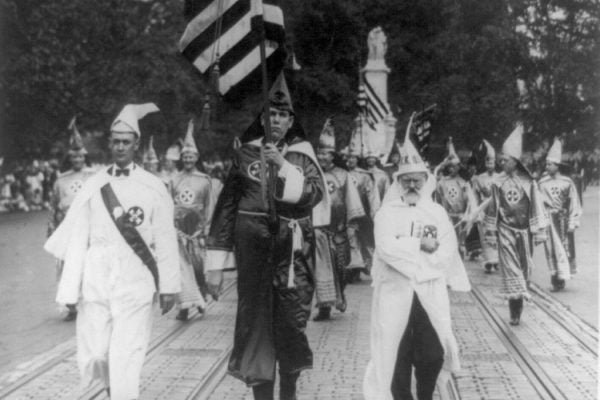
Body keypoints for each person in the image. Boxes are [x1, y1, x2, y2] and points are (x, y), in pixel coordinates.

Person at [44, 103, 180, 399]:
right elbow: (79, 239)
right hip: (97, 280)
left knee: (125, 355)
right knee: (98, 354)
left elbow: (166, 239)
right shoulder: (94, 185)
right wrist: (68, 292)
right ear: (109, 143)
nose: (120, 147)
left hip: (135, 280)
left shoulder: (153, 186)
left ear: (136, 145)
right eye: (115, 141)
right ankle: (112, 391)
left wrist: (169, 286)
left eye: (126, 142)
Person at [205, 73, 326, 400]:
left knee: (290, 326)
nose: (275, 120)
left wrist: (283, 165)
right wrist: (215, 264)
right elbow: (227, 206)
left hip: (292, 259)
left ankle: (289, 392)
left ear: (290, 121)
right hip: (254, 256)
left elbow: (312, 195)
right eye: (270, 114)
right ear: (262, 118)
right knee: (256, 328)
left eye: (282, 115)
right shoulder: (245, 155)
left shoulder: (302, 155)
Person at [363, 135, 470, 400]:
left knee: (433, 353)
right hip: (395, 292)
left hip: (428, 292)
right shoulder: (386, 214)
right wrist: (418, 244)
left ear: (425, 181)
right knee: (396, 352)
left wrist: (421, 265)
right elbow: (386, 248)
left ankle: (425, 394)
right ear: (398, 182)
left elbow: (447, 251)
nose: (412, 185)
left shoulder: (436, 212)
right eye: (406, 180)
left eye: (417, 180)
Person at [483, 124, 549, 325]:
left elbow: (536, 206)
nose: (502, 163)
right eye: (501, 160)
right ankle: (513, 310)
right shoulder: (497, 182)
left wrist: (539, 232)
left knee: (524, 269)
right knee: (511, 270)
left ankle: (518, 304)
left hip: (525, 231)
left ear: (516, 161)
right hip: (506, 230)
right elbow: (493, 207)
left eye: (506, 160)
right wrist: (492, 233)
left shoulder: (529, 182)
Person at [313, 120, 366, 321]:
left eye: (326, 154)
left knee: (341, 271)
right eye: (319, 153)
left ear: (333, 155)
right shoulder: (312, 174)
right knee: (320, 271)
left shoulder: (343, 175)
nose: (322, 157)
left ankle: (339, 295)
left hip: (339, 232)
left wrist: (352, 226)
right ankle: (324, 306)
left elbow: (352, 203)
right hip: (317, 231)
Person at [47, 118, 95, 321]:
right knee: (68, 266)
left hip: (88, 228)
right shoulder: (61, 180)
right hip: (67, 228)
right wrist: (52, 229)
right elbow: (53, 206)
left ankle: (88, 300)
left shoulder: (94, 177)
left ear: (85, 157)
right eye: (74, 157)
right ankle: (71, 303)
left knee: (88, 265)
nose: (77, 160)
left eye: (80, 157)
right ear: (70, 158)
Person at [170, 120, 212, 321]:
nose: (188, 159)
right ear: (181, 158)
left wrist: (205, 230)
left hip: (197, 231)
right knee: (181, 270)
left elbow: (209, 206)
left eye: (191, 156)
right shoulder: (174, 179)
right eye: (185, 156)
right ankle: (184, 306)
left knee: (197, 269)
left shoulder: (204, 180)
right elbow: (170, 204)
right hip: (178, 231)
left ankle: (201, 298)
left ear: (197, 157)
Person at [539, 138, 581, 291]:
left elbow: (574, 203)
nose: (547, 166)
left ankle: (561, 278)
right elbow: (538, 203)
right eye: (546, 164)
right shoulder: (542, 183)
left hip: (561, 220)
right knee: (550, 249)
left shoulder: (567, 182)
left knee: (563, 248)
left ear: (557, 166)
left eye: (550, 164)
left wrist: (572, 222)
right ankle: (554, 276)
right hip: (548, 219)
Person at [344, 138, 380, 282]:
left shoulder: (365, 176)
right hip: (345, 213)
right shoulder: (341, 173)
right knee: (349, 240)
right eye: (347, 157)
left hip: (362, 212)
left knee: (364, 242)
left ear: (358, 159)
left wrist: (374, 212)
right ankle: (351, 270)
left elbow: (372, 195)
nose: (350, 160)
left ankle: (369, 269)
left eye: (353, 157)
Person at [435, 137, 474, 257]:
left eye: (454, 167)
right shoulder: (442, 183)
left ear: (458, 168)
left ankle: (460, 253)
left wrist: (468, 212)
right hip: (447, 216)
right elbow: (438, 199)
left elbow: (469, 199)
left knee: (460, 240)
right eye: (450, 167)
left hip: (460, 215)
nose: (452, 169)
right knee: (448, 240)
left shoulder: (463, 182)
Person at [471, 139, 501, 273]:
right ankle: (489, 261)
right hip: (484, 210)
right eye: (487, 162)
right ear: (484, 163)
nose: (490, 164)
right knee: (484, 236)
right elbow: (475, 196)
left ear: (495, 163)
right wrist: (476, 212)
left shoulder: (500, 177)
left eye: (492, 162)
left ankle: (496, 260)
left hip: (496, 211)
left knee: (496, 235)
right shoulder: (479, 178)